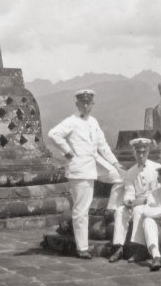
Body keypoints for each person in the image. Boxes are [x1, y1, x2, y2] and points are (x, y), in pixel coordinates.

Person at [48, 89, 125, 259]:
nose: (85, 105)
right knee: (81, 209)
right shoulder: (71, 121)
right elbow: (53, 134)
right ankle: (82, 248)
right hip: (80, 169)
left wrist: (115, 163)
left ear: (92, 104)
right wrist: (68, 152)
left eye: (88, 102)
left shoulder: (93, 121)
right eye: (82, 102)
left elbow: (103, 145)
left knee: (120, 177)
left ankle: (111, 208)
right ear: (77, 104)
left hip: (96, 164)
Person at [108, 137, 161, 263]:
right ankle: (118, 247)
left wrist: (143, 201)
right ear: (134, 153)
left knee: (138, 210)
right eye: (138, 152)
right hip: (136, 203)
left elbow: (159, 192)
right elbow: (129, 191)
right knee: (120, 211)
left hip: (153, 204)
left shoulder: (157, 168)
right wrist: (128, 201)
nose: (141, 155)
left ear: (148, 152)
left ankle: (140, 249)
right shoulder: (131, 172)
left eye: (143, 152)